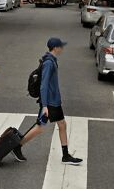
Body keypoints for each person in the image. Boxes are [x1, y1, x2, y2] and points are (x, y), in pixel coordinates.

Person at [16, 37, 83, 165]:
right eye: (61, 46)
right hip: (49, 103)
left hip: (54, 102)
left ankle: (65, 155)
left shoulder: (52, 60)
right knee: (40, 127)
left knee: (62, 124)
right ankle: (18, 146)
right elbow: (44, 85)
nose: (62, 48)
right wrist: (45, 105)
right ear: (56, 48)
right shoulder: (48, 63)